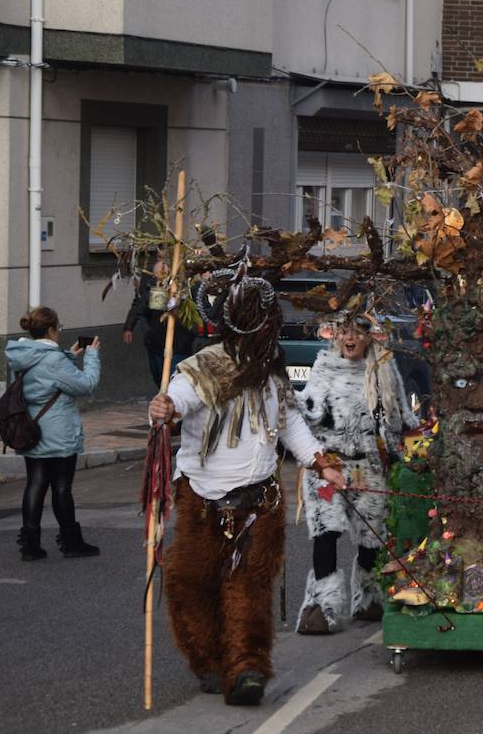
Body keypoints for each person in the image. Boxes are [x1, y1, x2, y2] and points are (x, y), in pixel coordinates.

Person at [148, 272, 346, 706]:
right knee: (193, 584)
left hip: (260, 502)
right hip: (203, 501)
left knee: (250, 589)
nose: (267, 333)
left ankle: (247, 669)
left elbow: (291, 422)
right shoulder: (204, 367)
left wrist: (320, 462)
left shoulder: (271, 375)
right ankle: (211, 661)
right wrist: (165, 408)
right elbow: (178, 399)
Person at [295, 315, 420, 635]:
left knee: (372, 536)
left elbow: (399, 414)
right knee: (326, 533)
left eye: (357, 332)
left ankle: (367, 597)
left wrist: (411, 447)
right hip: (329, 465)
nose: (350, 338)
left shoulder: (383, 370)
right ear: (335, 336)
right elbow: (306, 412)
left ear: (369, 337)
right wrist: (284, 401)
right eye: (344, 332)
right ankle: (320, 606)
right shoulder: (324, 367)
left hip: (369, 464)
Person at [6, 307, 102, 561]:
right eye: (58, 328)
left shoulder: (21, 354)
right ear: (51, 330)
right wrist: (91, 356)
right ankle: (71, 542)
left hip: (30, 428)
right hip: (58, 430)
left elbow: (43, 380)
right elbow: (86, 384)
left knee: (35, 483)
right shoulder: (53, 360)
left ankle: (30, 545)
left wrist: (69, 355)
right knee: (61, 487)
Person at [122, 250, 196, 384]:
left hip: (179, 343)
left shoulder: (186, 281)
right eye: (159, 257)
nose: (161, 262)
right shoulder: (150, 282)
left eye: (165, 257)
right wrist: (136, 328)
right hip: (155, 342)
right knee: (159, 377)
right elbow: (140, 307)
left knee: (173, 380)